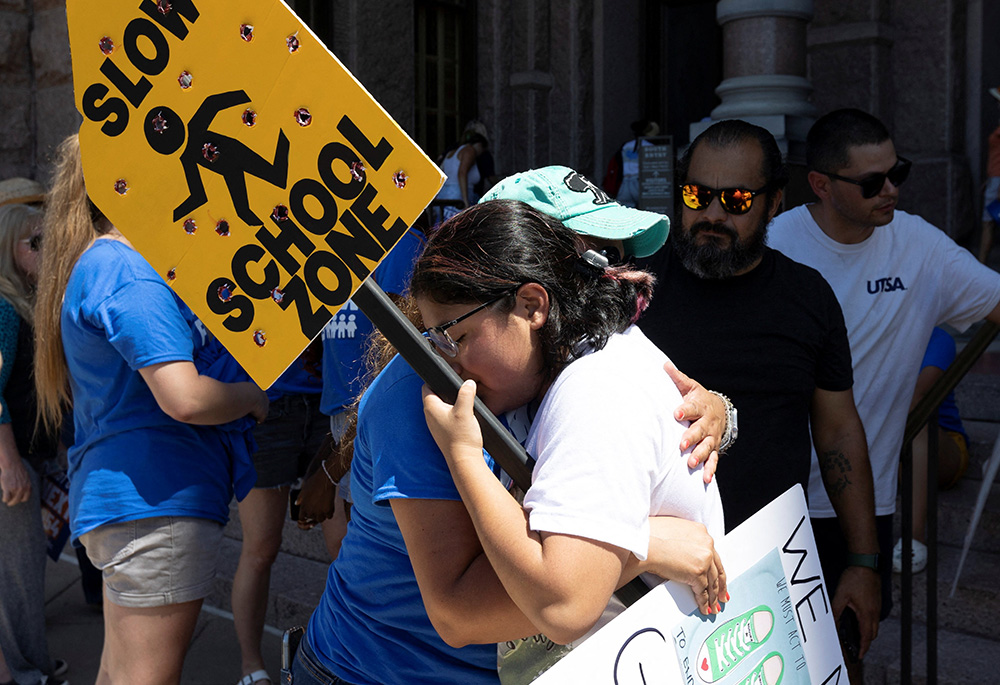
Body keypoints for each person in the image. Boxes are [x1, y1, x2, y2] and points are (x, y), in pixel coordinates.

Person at [291, 169, 732, 685]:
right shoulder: (435, 395)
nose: (600, 272)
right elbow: (469, 609)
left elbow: (639, 424)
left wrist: (719, 413)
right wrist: (641, 545)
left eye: (606, 253)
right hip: (375, 671)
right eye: (581, 252)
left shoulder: (560, 368)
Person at [417, 199, 725, 652]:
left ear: (531, 305)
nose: (450, 363)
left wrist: (463, 457)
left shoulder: (595, 390)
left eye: (456, 337)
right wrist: (646, 546)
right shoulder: (589, 363)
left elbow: (565, 606)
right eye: (434, 342)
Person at [768, 108, 1000, 682]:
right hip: (772, 497)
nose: (890, 189)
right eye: (872, 182)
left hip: (862, 508)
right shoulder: (775, 245)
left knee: (848, 658)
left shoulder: (918, 245)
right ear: (820, 184)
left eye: (898, 172)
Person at [636, 119, 881, 661]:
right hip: (651, 579)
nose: (713, 215)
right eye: (697, 195)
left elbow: (839, 431)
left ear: (774, 204)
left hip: (771, 567)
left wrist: (863, 561)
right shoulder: (638, 287)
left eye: (738, 199)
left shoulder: (807, 299)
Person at [34, 133, 269, 685]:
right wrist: (252, 398)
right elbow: (184, 397)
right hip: (156, 501)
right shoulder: (127, 269)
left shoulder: (100, 263)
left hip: (132, 503)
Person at [293, 227, 425, 557]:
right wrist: (326, 456)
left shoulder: (399, 246)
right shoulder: (333, 248)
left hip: (378, 425)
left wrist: (328, 473)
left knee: (373, 549)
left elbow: (395, 365)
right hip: (346, 423)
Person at [0, 196, 68, 685]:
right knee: (17, 576)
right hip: (12, 461)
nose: (49, 251)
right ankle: (25, 672)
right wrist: (7, 461)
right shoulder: (4, 308)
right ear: (9, 249)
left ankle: (31, 665)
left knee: (23, 572)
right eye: (37, 243)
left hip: (29, 455)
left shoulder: (22, 300)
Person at [232, 357, 326, 685]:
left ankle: (334, 660)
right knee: (260, 548)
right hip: (269, 402)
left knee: (343, 546)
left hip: (332, 400)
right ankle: (251, 667)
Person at [893, 327, 970, 574]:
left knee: (915, 421)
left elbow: (917, 398)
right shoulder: (879, 337)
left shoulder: (937, 338)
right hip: (892, 446)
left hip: (943, 444)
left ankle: (913, 537)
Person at [435, 129, 488, 221]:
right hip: (457, 197)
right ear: (479, 145)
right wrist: (465, 201)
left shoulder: (450, 153)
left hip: (444, 195)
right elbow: (462, 173)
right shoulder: (469, 151)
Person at [979, 86, 1000, 263]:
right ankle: (981, 263)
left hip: (998, 181)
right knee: (989, 222)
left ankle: (980, 263)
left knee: (988, 222)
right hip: (995, 179)